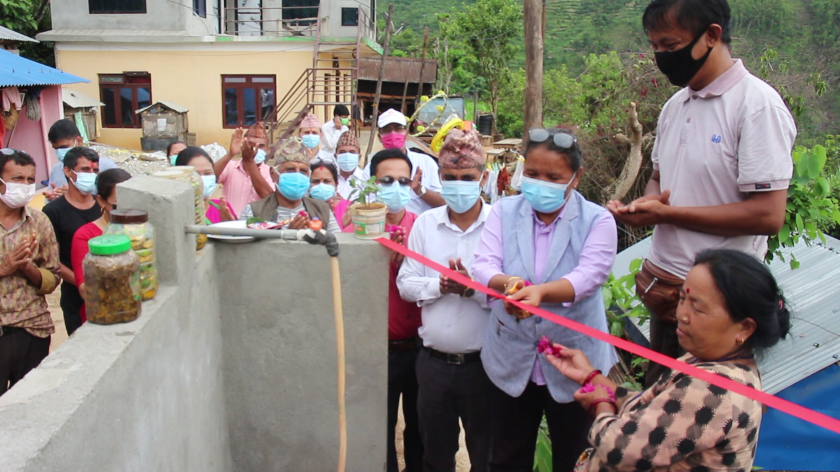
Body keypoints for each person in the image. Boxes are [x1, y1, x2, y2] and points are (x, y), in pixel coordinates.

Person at [606, 0, 795, 387]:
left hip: (717, 308)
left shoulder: (757, 107)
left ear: (712, 35)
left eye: (670, 45)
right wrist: (646, 204)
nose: (661, 56)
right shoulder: (676, 105)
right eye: (654, 46)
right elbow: (660, 178)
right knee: (656, 414)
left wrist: (669, 215)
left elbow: (768, 215)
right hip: (665, 295)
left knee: (700, 423)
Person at [547, 249, 790, 472]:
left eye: (698, 308)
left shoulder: (715, 389)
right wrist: (593, 377)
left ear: (744, 328)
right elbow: (655, 410)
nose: (681, 314)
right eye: (683, 299)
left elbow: (620, 449)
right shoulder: (719, 365)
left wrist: (601, 405)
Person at [472, 128, 619, 472]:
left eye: (553, 177)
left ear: (576, 178)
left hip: (575, 363)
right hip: (510, 359)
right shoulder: (504, 211)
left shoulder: (598, 220)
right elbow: (484, 264)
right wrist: (507, 284)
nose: (540, 183)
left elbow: (590, 275)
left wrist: (540, 293)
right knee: (506, 457)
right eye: (534, 174)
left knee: (576, 457)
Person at [396, 129, 493, 472]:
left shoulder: (499, 225)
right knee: (435, 457)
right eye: (450, 177)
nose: (458, 184)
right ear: (439, 175)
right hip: (433, 365)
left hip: (485, 367)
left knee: (487, 455)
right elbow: (406, 283)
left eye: (467, 177)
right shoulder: (425, 224)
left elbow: (514, 295)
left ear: (483, 176)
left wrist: (472, 289)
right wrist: (440, 284)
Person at [371, 148, 424, 472]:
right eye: (386, 180)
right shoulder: (358, 229)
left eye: (402, 181)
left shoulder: (423, 228)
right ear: (372, 183)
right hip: (377, 351)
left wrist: (411, 264)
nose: (395, 187)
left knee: (420, 426)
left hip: (420, 348)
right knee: (380, 426)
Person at [0, 148, 60, 395]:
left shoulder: (39, 222)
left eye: (29, 179)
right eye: (17, 179)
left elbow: (52, 277)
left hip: (32, 328)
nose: (24, 186)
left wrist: (27, 267)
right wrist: (4, 268)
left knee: (28, 404)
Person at [43, 147, 101, 336]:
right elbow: (53, 261)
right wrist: (84, 284)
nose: (91, 175)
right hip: (75, 299)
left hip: (108, 293)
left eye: (94, 171)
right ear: (67, 171)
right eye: (85, 170)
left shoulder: (103, 206)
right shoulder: (53, 212)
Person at [239, 138, 340, 233]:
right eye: (290, 170)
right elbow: (243, 250)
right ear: (273, 174)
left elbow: (339, 247)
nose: (297, 175)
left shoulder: (322, 210)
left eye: (303, 171)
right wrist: (288, 236)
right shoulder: (253, 212)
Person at [70, 168, 132, 323]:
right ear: (101, 201)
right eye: (116, 206)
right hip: (105, 315)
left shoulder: (143, 231)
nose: (124, 211)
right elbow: (85, 290)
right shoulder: (85, 235)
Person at [363, 109, 445, 215]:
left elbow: (442, 202)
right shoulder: (370, 169)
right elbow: (366, 205)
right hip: (386, 228)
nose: (393, 134)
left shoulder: (426, 162)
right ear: (379, 137)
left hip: (419, 227)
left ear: (406, 133)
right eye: (387, 130)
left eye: (398, 128)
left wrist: (419, 190)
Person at [44, 119, 117, 201]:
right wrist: (52, 198)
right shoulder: (56, 169)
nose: (59, 152)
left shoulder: (106, 166)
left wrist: (73, 195)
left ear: (79, 141)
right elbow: (50, 202)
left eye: (63, 147)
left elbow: (117, 200)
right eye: (56, 149)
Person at [215, 125, 276, 217]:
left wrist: (249, 162)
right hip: (228, 225)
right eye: (251, 144)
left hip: (255, 227)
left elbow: (268, 196)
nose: (255, 149)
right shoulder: (230, 166)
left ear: (268, 150)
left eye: (261, 146)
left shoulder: (270, 172)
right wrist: (231, 154)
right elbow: (211, 177)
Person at [176, 147, 235, 223]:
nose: (202, 180)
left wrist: (229, 224)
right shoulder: (175, 213)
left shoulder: (223, 208)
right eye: (196, 174)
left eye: (207, 173)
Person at [308, 159, 352, 231]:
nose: (321, 185)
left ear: (336, 184)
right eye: (316, 181)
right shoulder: (304, 207)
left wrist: (346, 228)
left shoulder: (349, 208)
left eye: (327, 181)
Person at [334, 131, 365, 201]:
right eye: (342, 152)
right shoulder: (330, 178)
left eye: (352, 152)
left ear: (359, 157)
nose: (347, 156)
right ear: (335, 156)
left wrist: (344, 204)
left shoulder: (365, 179)